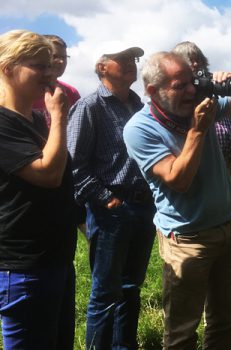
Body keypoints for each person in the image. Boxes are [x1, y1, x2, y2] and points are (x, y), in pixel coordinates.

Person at [123, 51, 231, 349]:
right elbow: (178, 180)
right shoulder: (139, 129)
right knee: (182, 332)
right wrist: (198, 130)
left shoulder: (199, 102)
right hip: (187, 240)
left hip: (229, 229)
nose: (190, 91)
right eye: (178, 85)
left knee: (225, 324)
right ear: (152, 91)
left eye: (191, 83)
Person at [66, 45, 156, 349]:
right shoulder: (89, 107)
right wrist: (106, 199)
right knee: (105, 292)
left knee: (131, 288)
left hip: (144, 207)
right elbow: (75, 164)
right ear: (102, 67)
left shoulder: (139, 105)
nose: (132, 64)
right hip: (111, 209)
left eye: (134, 58)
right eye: (123, 59)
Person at [0, 29, 78, 349]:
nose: (50, 74)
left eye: (51, 65)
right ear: (7, 68)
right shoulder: (3, 123)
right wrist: (59, 116)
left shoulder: (33, 120)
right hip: (24, 267)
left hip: (54, 259)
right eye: (39, 66)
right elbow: (47, 174)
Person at [171, 41, 231, 185]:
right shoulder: (180, 100)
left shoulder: (216, 86)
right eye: (189, 60)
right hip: (195, 165)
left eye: (198, 59)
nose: (195, 64)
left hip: (227, 164)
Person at [31, 35, 80, 128]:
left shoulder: (71, 92)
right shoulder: (27, 91)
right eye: (55, 56)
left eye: (64, 57)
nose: (61, 61)